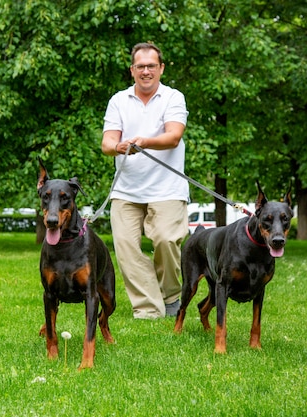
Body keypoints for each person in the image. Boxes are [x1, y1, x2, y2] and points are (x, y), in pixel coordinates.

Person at [101, 42, 189, 319]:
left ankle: (171, 295)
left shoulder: (173, 98)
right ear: (132, 70)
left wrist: (144, 142)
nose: (146, 71)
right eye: (141, 66)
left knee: (165, 240)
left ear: (161, 68)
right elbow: (107, 143)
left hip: (167, 189)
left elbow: (173, 136)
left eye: (152, 65)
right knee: (126, 247)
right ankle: (149, 308)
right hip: (126, 190)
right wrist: (118, 146)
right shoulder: (118, 100)